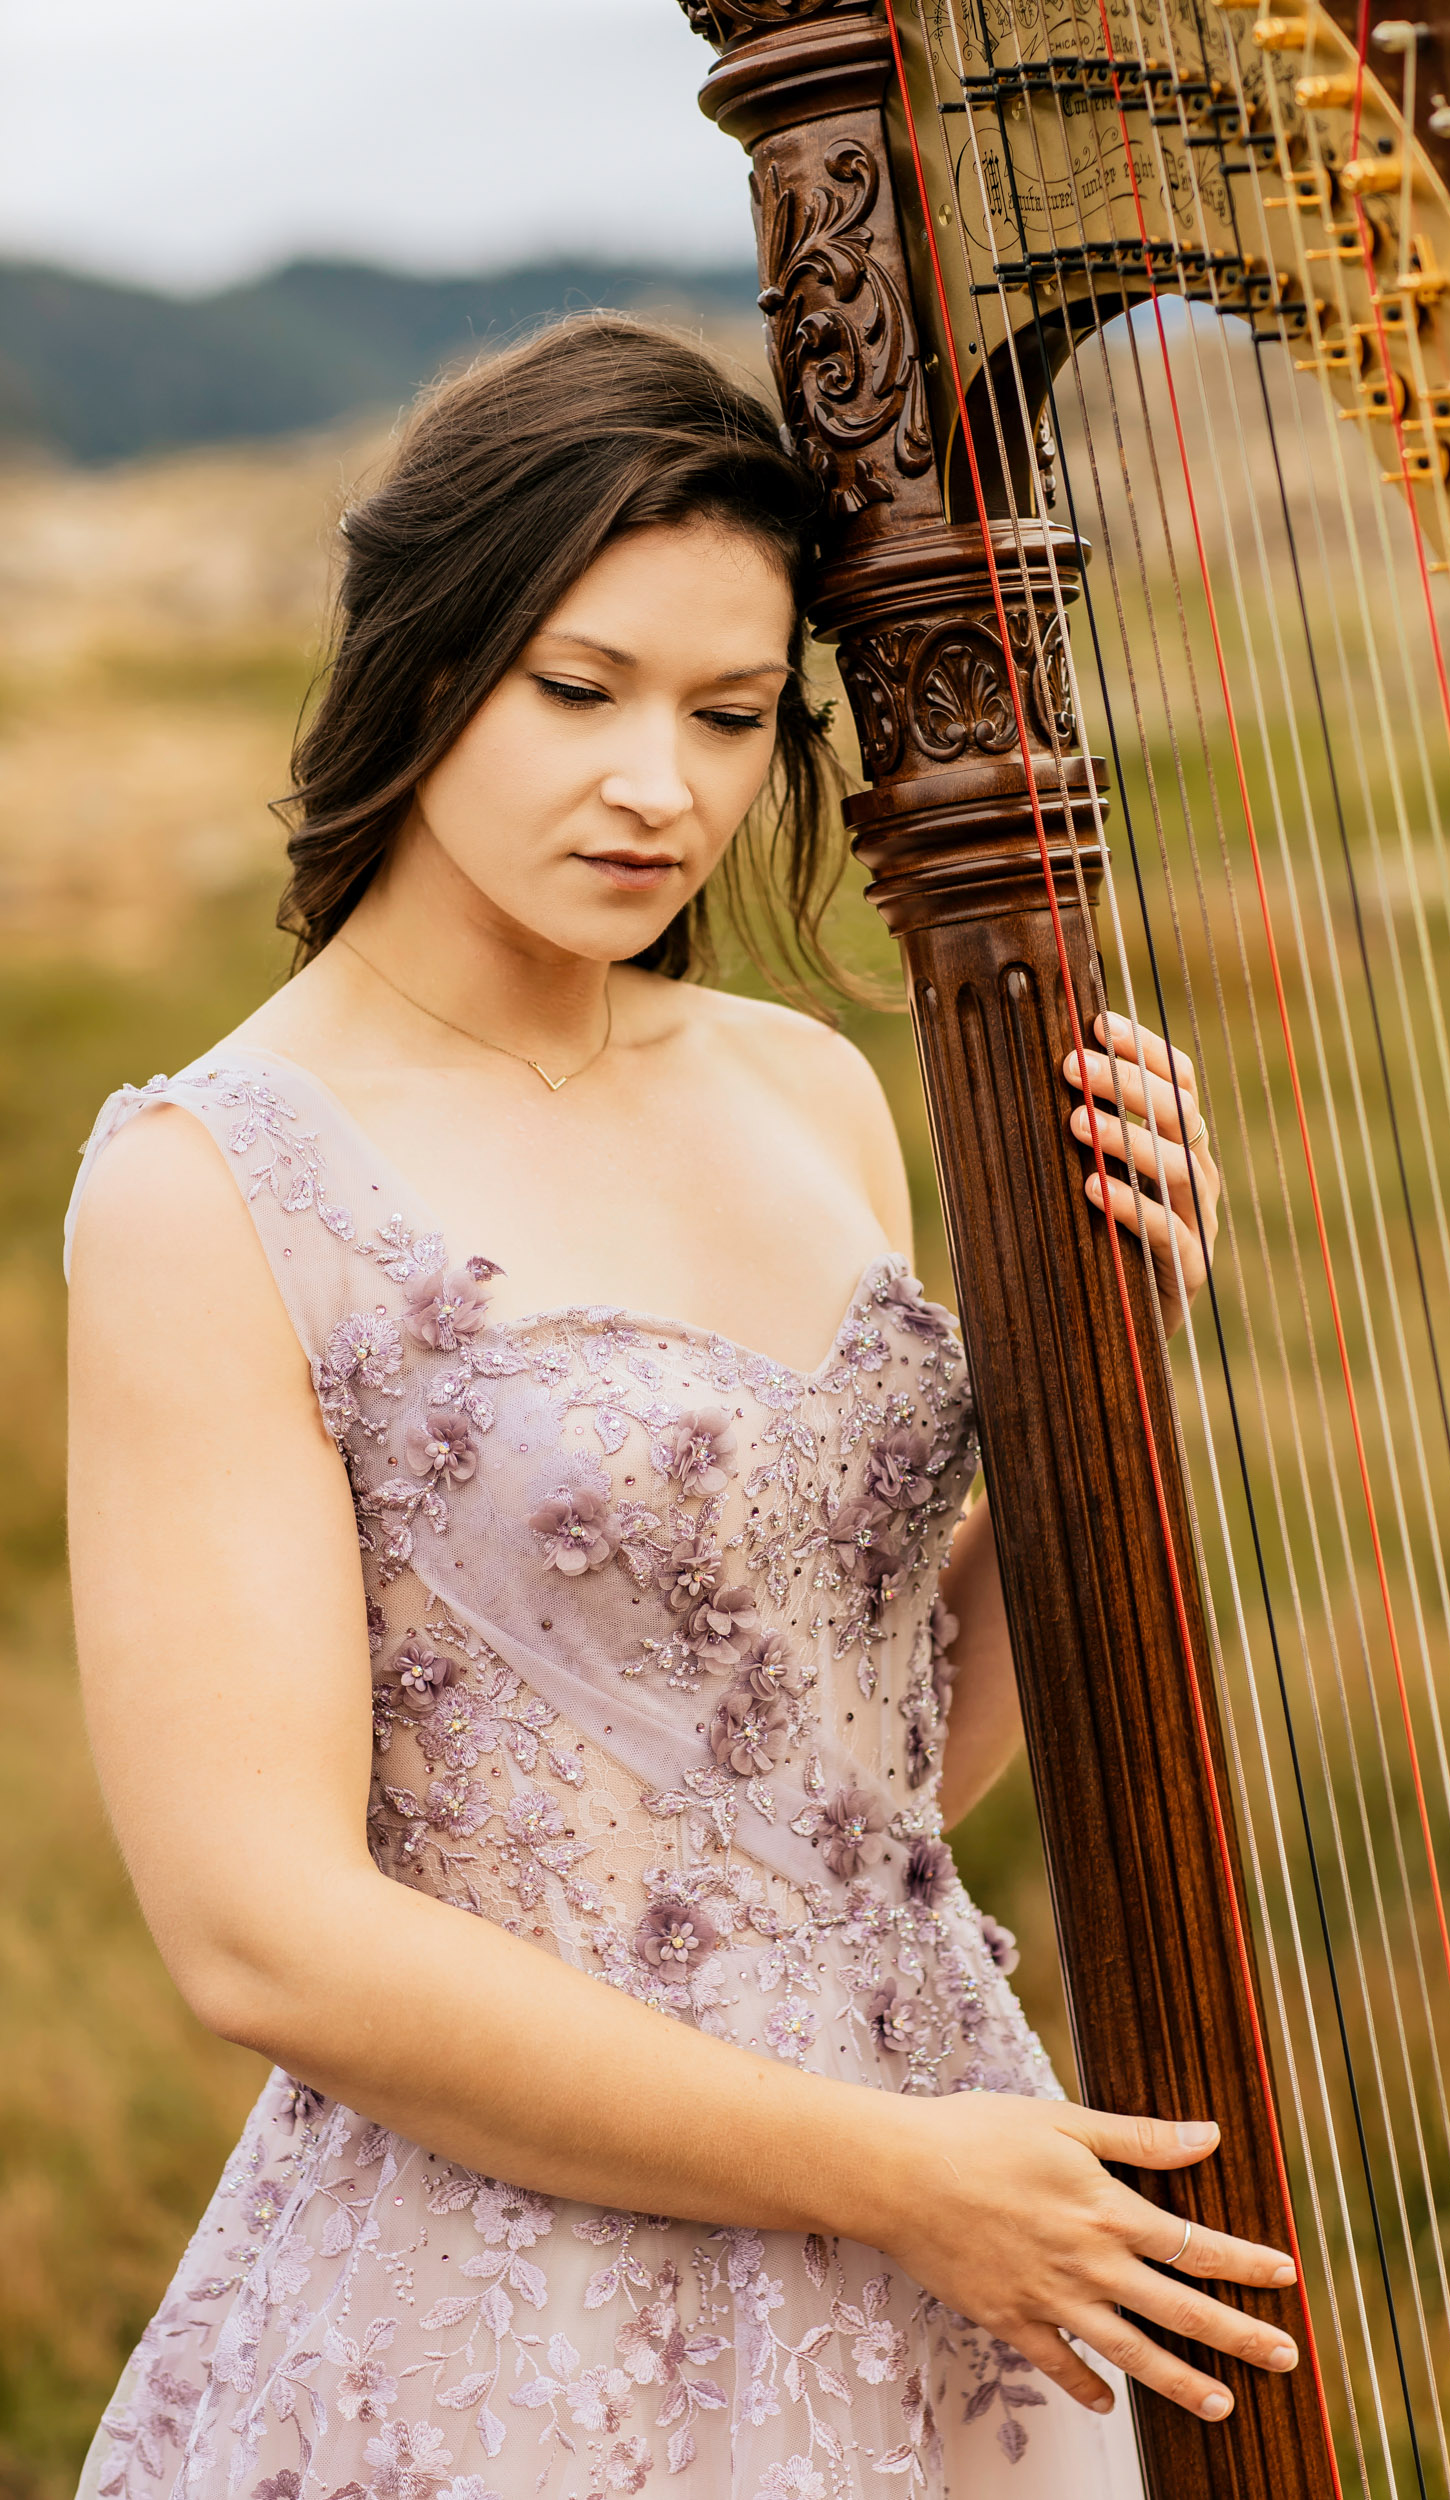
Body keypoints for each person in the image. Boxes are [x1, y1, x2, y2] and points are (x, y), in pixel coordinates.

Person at [65, 316, 1287, 2500]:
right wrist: (890, 2172)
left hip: (951, 2229)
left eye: (732, 715)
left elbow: (861, 1766)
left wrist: (1108, 1356)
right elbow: (261, 1925)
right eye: (582, 689)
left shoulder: (809, 1085)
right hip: (526, 2299)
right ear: (425, 659)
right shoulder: (214, 1178)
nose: (663, 784)